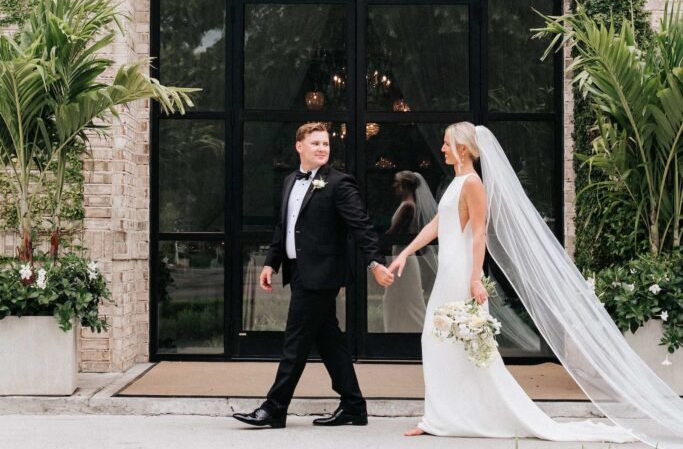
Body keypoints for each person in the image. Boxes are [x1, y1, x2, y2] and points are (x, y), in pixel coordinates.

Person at [388, 122, 683, 446]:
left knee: (456, 343)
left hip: (459, 273)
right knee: (439, 342)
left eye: (446, 143)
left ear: (461, 148)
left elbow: (479, 234)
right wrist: (406, 253)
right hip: (447, 271)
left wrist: (474, 279)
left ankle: (448, 415)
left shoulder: (473, 183)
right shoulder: (458, 181)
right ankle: (440, 416)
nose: (442, 149)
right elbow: (437, 223)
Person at [232, 121, 394, 430]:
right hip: (299, 272)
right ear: (300, 146)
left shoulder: (339, 183)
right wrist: (271, 263)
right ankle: (353, 406)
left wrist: (375, 262)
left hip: (322, 275)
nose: (322, 148)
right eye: (316, 143)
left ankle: (274, 408)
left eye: (326, 144)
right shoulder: (289, 181)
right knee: (329, 339)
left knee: (295, 341)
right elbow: (284, 227)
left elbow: (361, 224)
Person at [382, 171, 437, 333]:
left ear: (406, 186)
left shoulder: (408, 207)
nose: (395, 186)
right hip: (399, 255)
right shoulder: (406, 205)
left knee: (406, 300)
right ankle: (396, 330)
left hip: (403, 257)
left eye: (398, 184)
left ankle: (421, 332)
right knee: (397, 298)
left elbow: (394, 232)